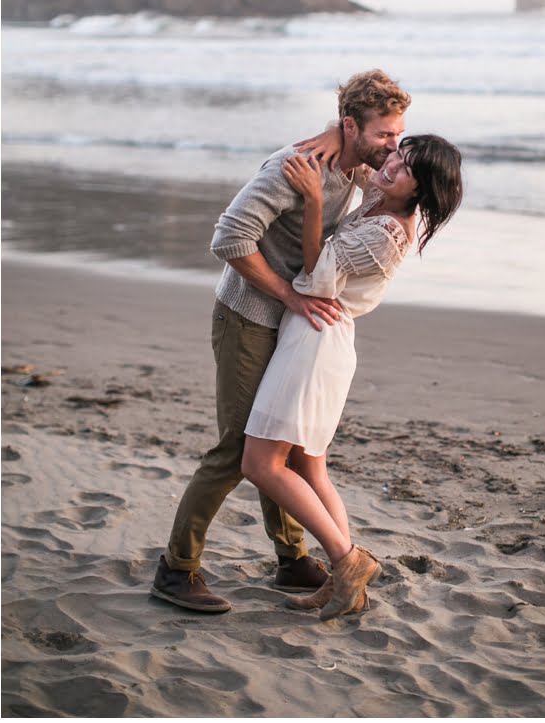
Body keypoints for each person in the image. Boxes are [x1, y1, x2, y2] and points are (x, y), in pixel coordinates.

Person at [150, 69, 411, 613]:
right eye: (385, 134)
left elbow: (374, 202)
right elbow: (228, 238)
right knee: (236, 449)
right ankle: (176, 571)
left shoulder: (357, 168)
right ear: (352, 126)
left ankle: (292, 558)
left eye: (396, 135)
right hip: (247, 317)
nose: (394, 146)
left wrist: (339, 138)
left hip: (295, 326)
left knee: (284, 443)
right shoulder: (293, 167)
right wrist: (290, 297)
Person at [241, 135, 463, 620]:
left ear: (420, 191)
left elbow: (316, 277)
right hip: (321, 336)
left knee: (260, 465)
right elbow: (361, 137)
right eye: (398, 155)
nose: (391, 167)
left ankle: (347, 563)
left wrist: (316, 198)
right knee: (309, 468)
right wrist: (333, 133)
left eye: (405, 169)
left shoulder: (387, 233)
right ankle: (346, 586)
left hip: (316, 342)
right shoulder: (381, 199)